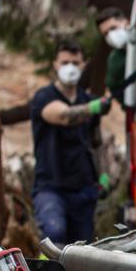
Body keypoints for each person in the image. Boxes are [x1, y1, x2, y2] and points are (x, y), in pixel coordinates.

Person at [30, 39, 112, 245]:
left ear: (83, 65)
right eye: (65, 62)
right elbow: (64, 115)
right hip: (51, 187)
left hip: (83, 189)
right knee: (53, 233)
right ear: (55, 65)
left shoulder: (86, 99)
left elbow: (96, 141)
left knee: (81, 249)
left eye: (75, 63)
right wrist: (94, 107)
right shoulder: (44, 97)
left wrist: (103, 175)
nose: (70, 68)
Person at [96, 6, 131, 103]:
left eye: (113, 28)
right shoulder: (115, 60)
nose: (111, 35)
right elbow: (115, 89)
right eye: (105, 34)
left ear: (126, 22)